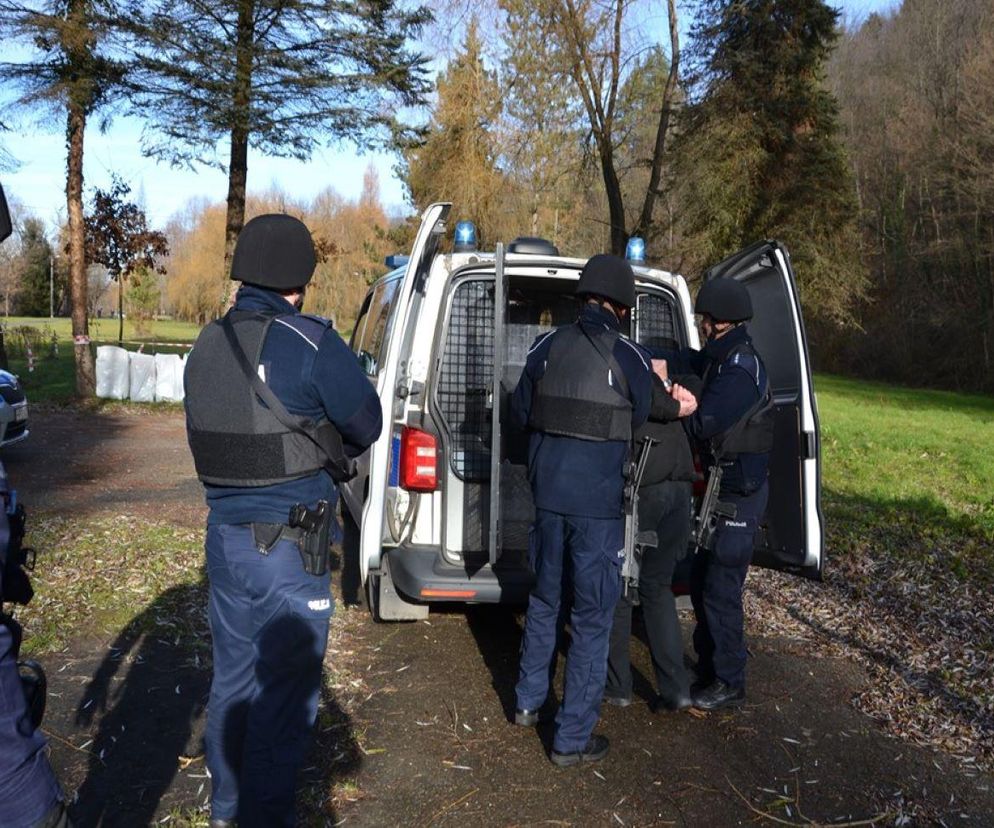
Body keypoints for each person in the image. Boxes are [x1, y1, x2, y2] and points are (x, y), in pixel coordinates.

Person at [183, 214, 382, 826]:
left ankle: (226, 810)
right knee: (284, 697)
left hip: (223, 542)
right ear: (299, 279)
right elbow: (367, 425)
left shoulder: (205, 346)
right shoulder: (310, 342)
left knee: (233, 682)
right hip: (289, 552)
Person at [511, 254, 653, 767]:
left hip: (547, 501)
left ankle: (528, 703)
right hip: (597, 511)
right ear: (620, 305)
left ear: (582, 299)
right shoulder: (628, 355)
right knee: (592, 618)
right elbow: (645, 411)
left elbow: (520, 414)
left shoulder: (545, 346)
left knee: (545, 602)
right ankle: (571, 740)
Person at [669, 277, 774, 711]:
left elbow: (700, 425)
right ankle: (711, 666)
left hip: (740, 493)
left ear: (722, 321)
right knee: (700, 579)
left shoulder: (738, 373)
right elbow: (692, 358)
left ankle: (730, 681)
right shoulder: (724, 357)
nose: (702, 326)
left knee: (720, 587)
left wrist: (672, 403)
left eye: (705, 320)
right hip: (722, 487)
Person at [604, 361, 701, 713]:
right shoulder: (676, 390)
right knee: (657, 588)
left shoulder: (633, 383)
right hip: (680, 492)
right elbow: (693, 378)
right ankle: (676, 690)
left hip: (647, 492)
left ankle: (616, 686)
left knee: (620, 586)